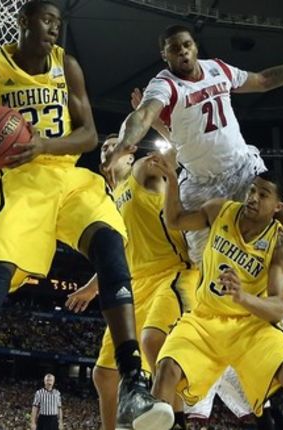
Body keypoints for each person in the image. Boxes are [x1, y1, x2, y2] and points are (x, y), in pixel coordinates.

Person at [0, 2, 171, 429]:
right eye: (47, 21)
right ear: (23, 21)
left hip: (65, 176)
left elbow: (87, 136)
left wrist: (46, 145)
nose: (53, 29)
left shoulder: (67, 66)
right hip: (18, 184)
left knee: (109, 242)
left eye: (58, 24)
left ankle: (133, 385)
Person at [106, 25, 283, 288]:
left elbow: (264, 80)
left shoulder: (218, 69)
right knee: (204, 266)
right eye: (174, 48)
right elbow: (143, 114)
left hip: (244, 169)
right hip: (204, 184)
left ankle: (281, 304)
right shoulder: (164, 84)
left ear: (195, 46)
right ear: (164, 54)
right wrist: (125, 142)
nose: (183, 52)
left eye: (187, 45)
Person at [149, 156, 283, 429]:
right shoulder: (221, 210)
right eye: (252, 190)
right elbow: (175, 220)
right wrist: (173, 181)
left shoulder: (281, 244)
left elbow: (279, 308)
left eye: (263, 194)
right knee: (166, 369)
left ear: (278, 206)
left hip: (250, 325)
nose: (253, 198)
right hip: (204, 319)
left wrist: (242, 296)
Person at [65, 136, 197, 430]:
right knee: (104, 374)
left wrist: (165, 120)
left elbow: (177, 156)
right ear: (103, 165)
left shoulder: (142, 171)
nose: (109, 147)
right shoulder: (109, 201)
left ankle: (175, 423)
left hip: (171, 274)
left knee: (154, 342)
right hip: (136, 285)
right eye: (105, 147)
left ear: (130, 151)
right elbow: (122, 253)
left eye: (117, 144)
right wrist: (92, 287)